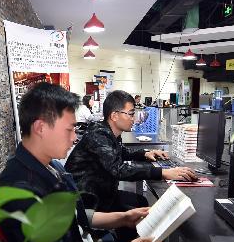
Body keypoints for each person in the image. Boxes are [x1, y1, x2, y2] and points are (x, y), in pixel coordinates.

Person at [0, 83, 204, 242]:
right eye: (69, 129)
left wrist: (123, 217)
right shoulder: (21, 188)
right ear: (41, 128)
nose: (74, 137)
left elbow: (73, 215)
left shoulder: (50, 166)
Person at [64, 90, 196, 215]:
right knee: (138, 207)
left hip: (101, 192)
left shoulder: (109, 132)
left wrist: (145, 153)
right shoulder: (98, 134)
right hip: (87, 200)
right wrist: (163, 172)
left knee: (141, 202)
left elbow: (121, 151)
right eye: (131, 114)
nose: (133, 119)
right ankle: (125, 238)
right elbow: (118, 169)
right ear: (114, 116)